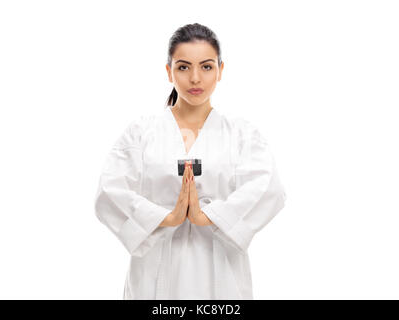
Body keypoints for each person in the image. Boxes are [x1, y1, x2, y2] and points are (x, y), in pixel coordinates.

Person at [94, 23, 287, 299]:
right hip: (155, 273)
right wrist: (166, 217)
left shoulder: (242, 135)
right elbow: (108, 192)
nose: (195, 78)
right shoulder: (141, 133)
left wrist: (208, 216)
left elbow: (269, 189)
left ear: (221, 70)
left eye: (206, 67)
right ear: (168, 70)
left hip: (221, 272)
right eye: (183, 67)